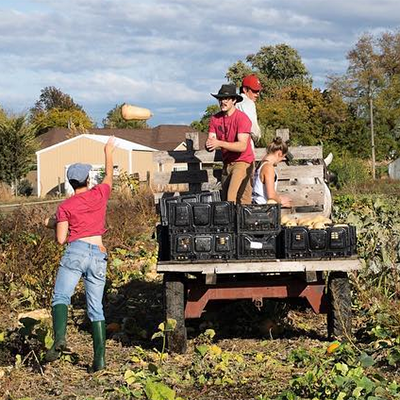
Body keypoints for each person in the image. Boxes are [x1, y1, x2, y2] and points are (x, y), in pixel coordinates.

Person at [44, 136, 116, 372]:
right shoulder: (100, 194)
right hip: (98, 253)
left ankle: (60, 340)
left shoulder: (65, 207)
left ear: (70, 182)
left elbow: (61, 239)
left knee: (61, 297)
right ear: (87, 179)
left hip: (76, 251)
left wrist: (52, 222)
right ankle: (99, 361)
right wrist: (108, 151)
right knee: (95, 308)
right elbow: (108, 176)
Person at [206, 84, 254, 204]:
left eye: (226, 99)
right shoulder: (215, 119)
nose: (223, 102)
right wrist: (209, 145)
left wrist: (219, 143)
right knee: (229, 198)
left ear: (234, 100)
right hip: (227, 163)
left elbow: (242, 146)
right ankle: (234, 221)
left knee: (231, 197)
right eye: (220, 99)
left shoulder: (242, 118)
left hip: (243, 161)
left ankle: (243, 221)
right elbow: (211, 141)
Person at [252, 137, 292, 207]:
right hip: (261, 207)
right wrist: (281, 201)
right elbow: (271, 195)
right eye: (283, 157)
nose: (281, 160)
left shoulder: (261, 164)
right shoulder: (268, 167)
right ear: (279, 153)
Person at [236, 74, 262, 146]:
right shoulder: (248, 103)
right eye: (254, 90)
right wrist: (257, 138)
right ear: (245, 90)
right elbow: (253, 128)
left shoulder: (233, 103)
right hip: (246, 143)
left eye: (258, 91)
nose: (257, 94)